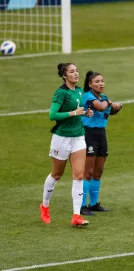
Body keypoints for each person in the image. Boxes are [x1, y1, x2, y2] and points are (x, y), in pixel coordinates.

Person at [40, 63, 94, 227]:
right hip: (62, 138)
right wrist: (73, 113)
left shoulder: (78, 91)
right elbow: (52, 115)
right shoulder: (61, 93)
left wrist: (86, 112)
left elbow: (79, 110)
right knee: (57, 174)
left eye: (77, 70)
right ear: (65, 75)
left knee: (79, 176)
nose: (76, 73)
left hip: (78, 137)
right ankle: (45, 205)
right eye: (72, 71)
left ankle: (76, 216)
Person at [80, 71, 123, 216]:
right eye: (97, 81)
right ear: (90, 84)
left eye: (102, 81)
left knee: (98, 171)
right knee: (88, 172)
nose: (101, 84)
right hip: (89, 135)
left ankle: (93, 204)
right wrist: (109, 103)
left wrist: (117, 108)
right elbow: (101, 107)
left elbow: (108, 111)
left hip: (101, 135)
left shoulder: (104, 98)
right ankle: (81, 206)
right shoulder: (88, 97)